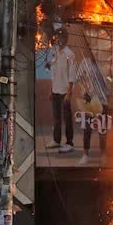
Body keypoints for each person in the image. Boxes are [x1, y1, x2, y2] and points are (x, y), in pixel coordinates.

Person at [44, 24, 76, 153]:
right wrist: (50, 90)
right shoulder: (54, 53)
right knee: (56, 117)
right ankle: (56, 140)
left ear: (65, 38)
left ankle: (69, 143)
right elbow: (53, 73)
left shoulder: (70, 54)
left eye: (60, 37)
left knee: (67, 118)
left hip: (65, 91)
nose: (57, 40)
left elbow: (72, 75)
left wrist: (69, 93)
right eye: (56, 37)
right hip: (56, 90)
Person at [74, 91, 104, 165]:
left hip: (102, 96)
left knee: (102, 129)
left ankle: (103, 155)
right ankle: (85, 155)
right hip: (87, 98)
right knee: (87, 129)